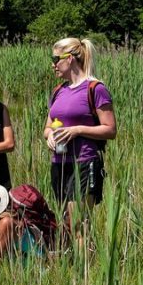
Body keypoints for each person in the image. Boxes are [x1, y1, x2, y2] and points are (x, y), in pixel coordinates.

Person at [42, 37, 116, 242]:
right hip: (60, 163)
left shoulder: (95, 89)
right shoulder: (59, 91)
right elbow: (47, 127)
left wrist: (78, 130)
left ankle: (84, 272)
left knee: (79, 223)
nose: (53, 64)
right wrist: (50, 137)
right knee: (65, 222)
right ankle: (72, 266)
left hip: (84, 162)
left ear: (71, 59)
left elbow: (110, 130)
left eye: (56, 58)